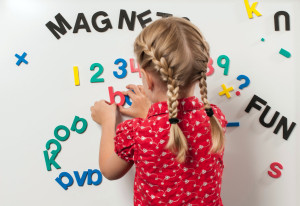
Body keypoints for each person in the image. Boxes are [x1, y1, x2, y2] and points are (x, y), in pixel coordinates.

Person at [90, 16, 228, 206]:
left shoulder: (138, 133)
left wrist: (107, 121)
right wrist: (149, 115)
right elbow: (172, 134)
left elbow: (108, 170)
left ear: (147, 78)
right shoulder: (215, 118)